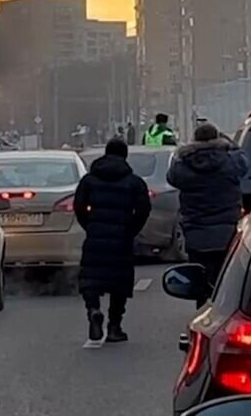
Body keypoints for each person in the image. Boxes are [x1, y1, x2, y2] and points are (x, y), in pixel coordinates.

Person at [73, 138, 152, 347]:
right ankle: (114, 327)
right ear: (125, 156)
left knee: (90, 277)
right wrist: (131, 230)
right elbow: (144, 209)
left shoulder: (89, 181)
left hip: (95, 236)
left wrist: (90, 226)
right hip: (121, 238)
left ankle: (93, 309)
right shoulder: (134, 182)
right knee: (119, 282)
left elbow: (78, 207)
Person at [166, 122, 248, 307]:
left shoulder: (184, 164)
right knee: (226, 276)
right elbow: (243, 161)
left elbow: (172, 176)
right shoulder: (230, 161)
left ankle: (202, 308)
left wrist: (181, 153)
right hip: (227, 230)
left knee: (199, 276)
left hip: (196, 230)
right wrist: (229, 143)